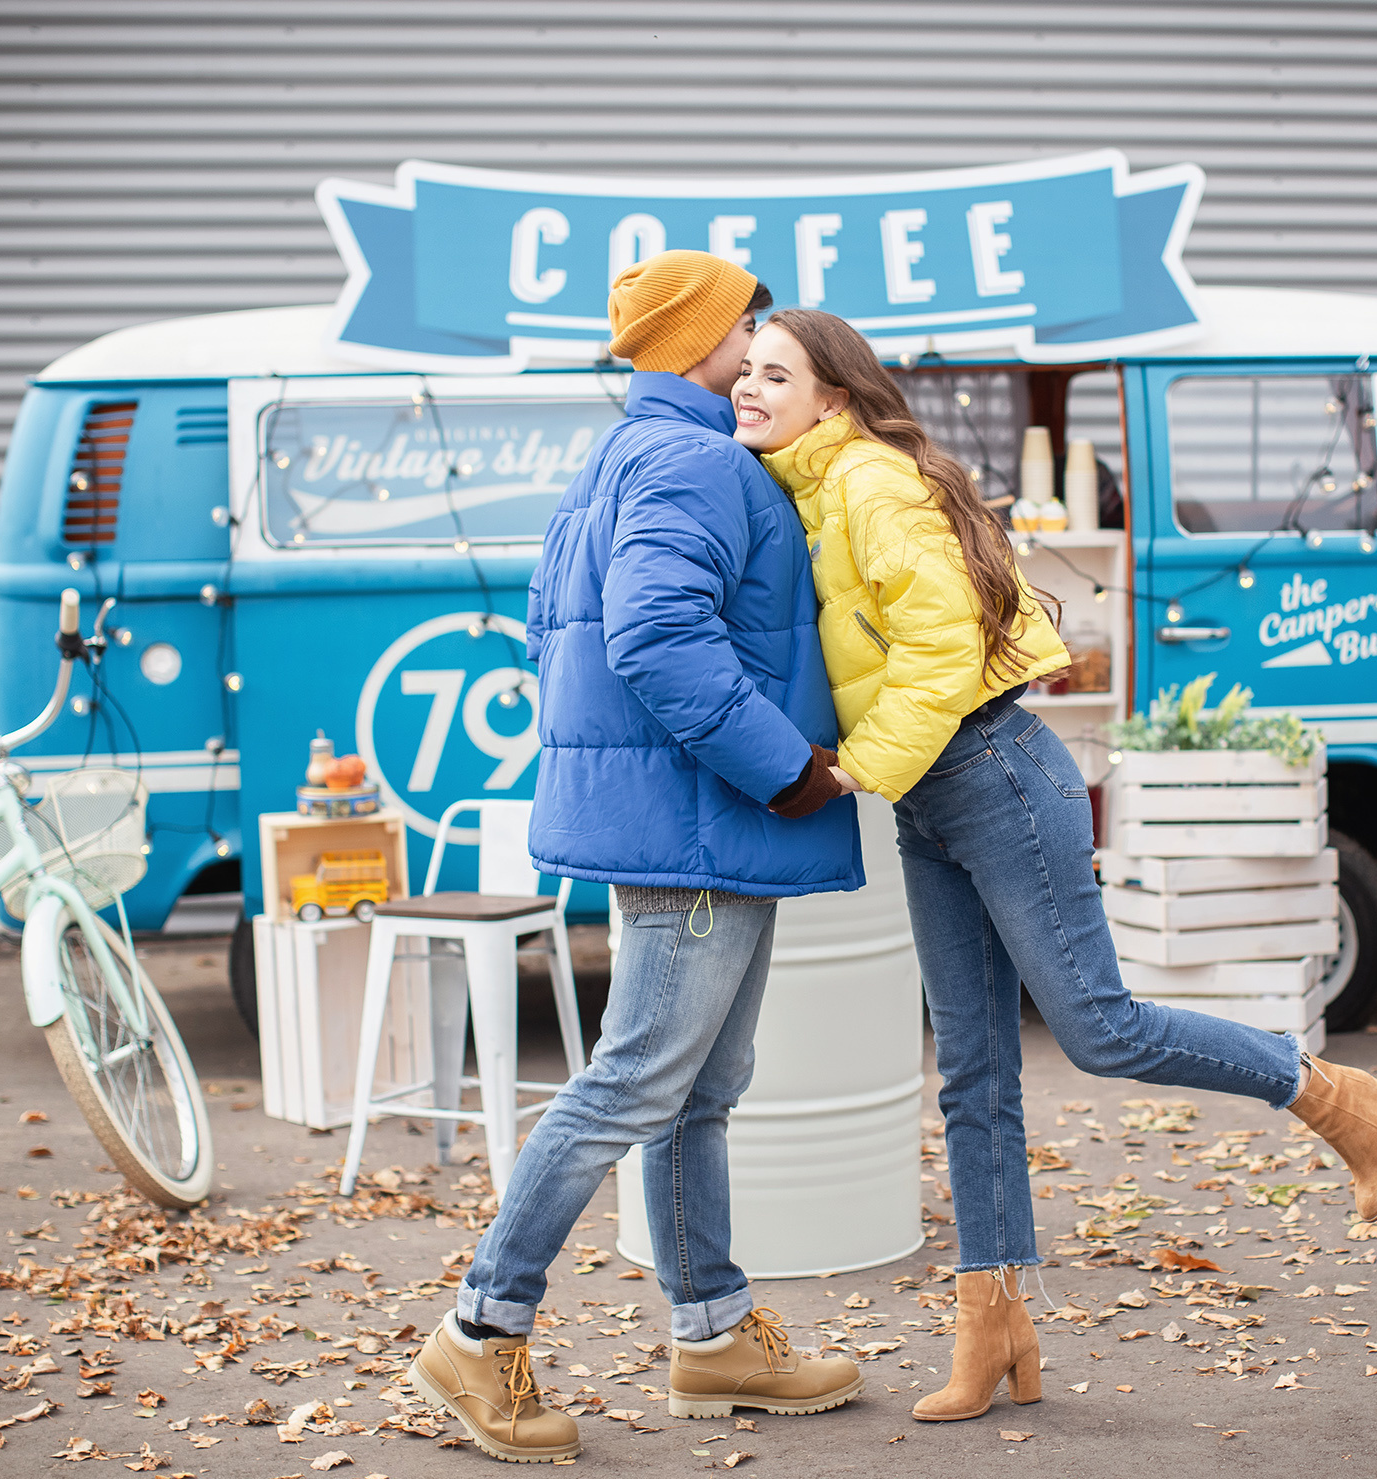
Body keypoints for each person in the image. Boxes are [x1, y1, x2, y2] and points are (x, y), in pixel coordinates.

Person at [732, 308, 1377, 1425]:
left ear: (834, 398)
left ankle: (1326, 1098)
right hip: (933, 799)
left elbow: (943, 644)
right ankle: (993, 1329)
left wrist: (857, 770)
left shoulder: (868, 483)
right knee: (970, 1073)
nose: (747, 390)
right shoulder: (811, 485)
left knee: (1097, 1029)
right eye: (742, 373)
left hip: (990, 770)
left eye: (772, 374)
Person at [407, 254, 868, 1464]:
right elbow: (658, 639)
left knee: (692, 1092)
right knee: (632, 1085)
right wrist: (789, 766)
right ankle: (478, 1326)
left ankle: (711, 1331)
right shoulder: (697, 460)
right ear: (698, 341)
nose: (760, 341)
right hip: (704, 825)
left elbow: (559, 631)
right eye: (744, 327)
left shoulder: (617, 457)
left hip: (677, 818)